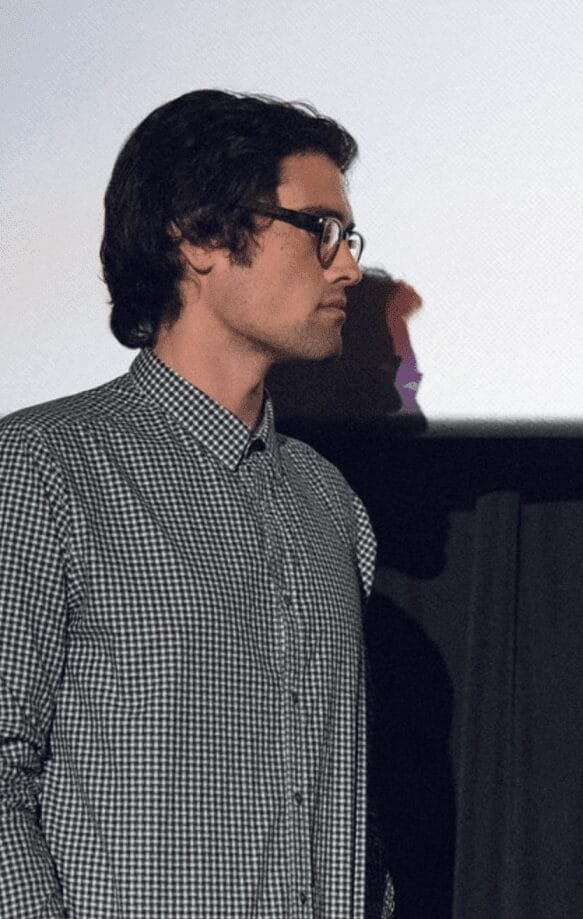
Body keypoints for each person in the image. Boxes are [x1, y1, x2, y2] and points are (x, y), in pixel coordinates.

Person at [0, 90, 380, 916]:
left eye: (347, 238)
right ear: (201, 237)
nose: (347, 267)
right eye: (319, 229)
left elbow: (347, 809)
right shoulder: (44, 466)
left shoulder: (328, 501)